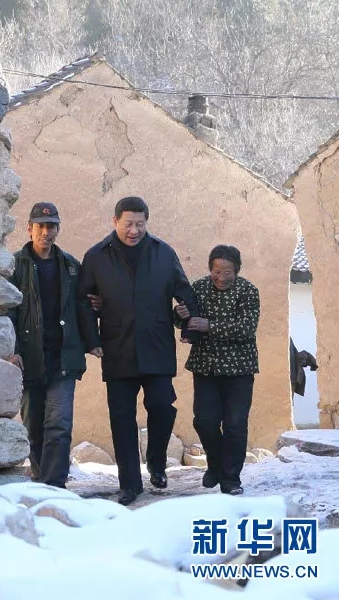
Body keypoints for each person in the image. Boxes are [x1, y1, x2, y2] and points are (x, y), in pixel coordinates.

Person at [77, 196, 198, 506]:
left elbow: (185, 293)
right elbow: (84, 301)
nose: (134, 231)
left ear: (147, 222)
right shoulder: (97, 256)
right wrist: (92, 339)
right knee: (121, 418)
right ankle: (129, 484)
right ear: (115, 222)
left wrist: (187, 325)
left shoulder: (163, 253)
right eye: (128, 224)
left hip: (157, 345)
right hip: (117, 346)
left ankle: (157, 462)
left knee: (162, 406)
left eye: (140, 224)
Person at [7, 202, 89, 488]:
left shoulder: (71, 266)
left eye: (51, 226)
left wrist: (92, 342)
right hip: (29, 358)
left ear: (58, 229)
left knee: (59, 424)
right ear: (29, 228)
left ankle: (55, 485)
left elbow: (84, 307)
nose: (46, 232)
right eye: (40, 226)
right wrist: (12, 350)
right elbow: (7, 311)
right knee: (34, 426)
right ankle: (41, 477)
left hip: (63, 358)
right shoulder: (15, 265)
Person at [175, 245, 260, 496]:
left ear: (237, 270)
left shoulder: (248, 291)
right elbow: (185, 321)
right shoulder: (199, 288)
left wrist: (210, 326)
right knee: (204, 421)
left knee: (235, 425)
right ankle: (215, 464)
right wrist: (179, 315)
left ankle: (230, 478)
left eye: (227, 272)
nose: (221, 277)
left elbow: (246, 328)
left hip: (239, 370)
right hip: (206, 368)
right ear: (210, 268)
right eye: (216, 271)